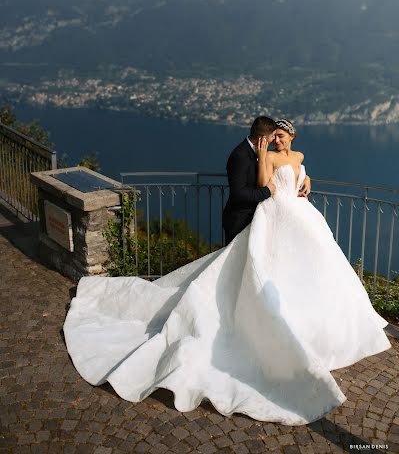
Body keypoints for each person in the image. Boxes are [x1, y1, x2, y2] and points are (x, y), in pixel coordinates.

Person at [63, 119, 392, 426]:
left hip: (300, 215)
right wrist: (267, 163)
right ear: (266, 137)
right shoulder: (256, 156)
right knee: (260, 270)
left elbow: (301, 172)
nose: (278, 139)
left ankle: (320, 328)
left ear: (291, 137)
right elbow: (262, 185)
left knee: (313, 271)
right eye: (274, 135)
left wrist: (306, 181)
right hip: (272, 215)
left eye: (282, 135)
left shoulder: (297, 155)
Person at [222, 116, 311, 244]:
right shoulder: (241, 155)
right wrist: (266, 191)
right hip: (239, 219)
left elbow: (281, 177)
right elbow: (238, 193)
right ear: (263, 138)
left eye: (279, 136)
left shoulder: (257, 152)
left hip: (258, 215)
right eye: (273, 136)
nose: (274, 140)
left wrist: (305, 179)